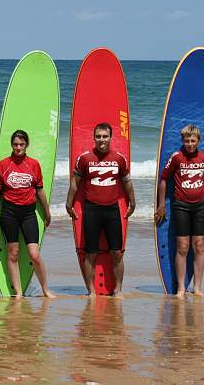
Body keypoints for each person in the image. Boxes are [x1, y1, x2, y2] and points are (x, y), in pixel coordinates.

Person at [65, 122, 136, 299]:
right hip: (92, 210)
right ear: (94, 137)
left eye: (105, 136)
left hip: (112, 210)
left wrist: (133, 203)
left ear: (111, 137)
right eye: (98, 136)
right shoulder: (85, 158)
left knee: (117, 252)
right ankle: (91, 291)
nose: (101, 140)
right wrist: (69, 204)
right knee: (90, 253)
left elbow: (127, 182)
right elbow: (75, 183)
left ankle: (118, 289)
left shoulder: (119, 158)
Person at [0, 130, 55, 299]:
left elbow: (40, 191)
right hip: (9, 213)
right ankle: (18, 292)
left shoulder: (34, 164)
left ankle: (45, 289)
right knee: (13, 254)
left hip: (28, 214)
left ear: (27, 145)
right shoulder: (3, 165)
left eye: (21, 144)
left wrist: (47, 211)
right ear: (12, 145)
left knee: (34, 254)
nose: (18, 148)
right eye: (16, 144)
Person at [155, 124, 204, 299]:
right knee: (182, 247)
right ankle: (181, 288)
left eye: (193, 140)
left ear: (198, 141)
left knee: (199, 246)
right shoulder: (176, 157)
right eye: (187, 140)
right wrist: (161, 205)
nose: (189, 144)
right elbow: (163, 179)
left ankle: (197, 287)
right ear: (182, 140)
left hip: (200, 206)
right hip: (180, 205)